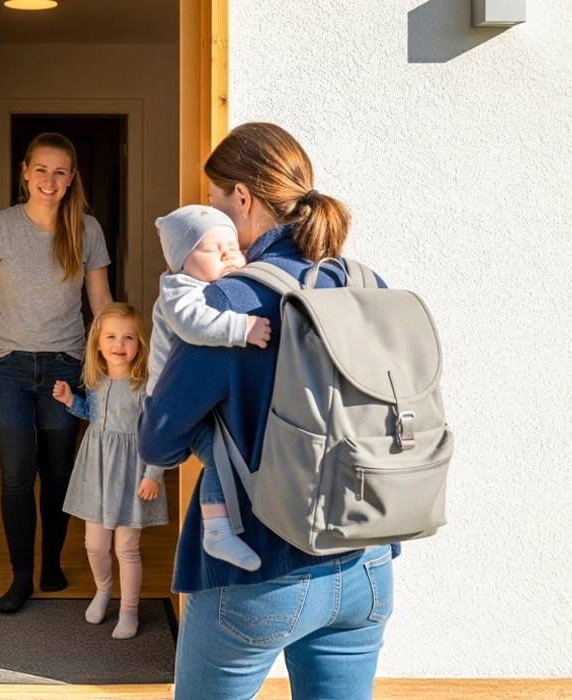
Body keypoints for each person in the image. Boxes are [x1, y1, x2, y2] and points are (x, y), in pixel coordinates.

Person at [141, 122, 395, 700]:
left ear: (243, 198)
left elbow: (159, 442)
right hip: (367, 561)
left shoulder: (230, 301)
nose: (214, 214)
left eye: (215, 201)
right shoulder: (365, 283)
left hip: (259, 569)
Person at [0, 132, 113, 614]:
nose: (49, 180)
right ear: (24, 172)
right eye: (40, 170)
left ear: (71, 178)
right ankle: (21, 575)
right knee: (17, 476)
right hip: (8, 368)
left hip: (66, 365)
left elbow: (101, 301)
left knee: (59, 474)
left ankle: (52, 563)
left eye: (60, 172)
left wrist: (113, 365)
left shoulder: (86, 230)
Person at [149, 205, 269, 572]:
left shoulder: (214, 282)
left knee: (225, 452)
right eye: (212, 250)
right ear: (181, 262)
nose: (228, 256)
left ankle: (222, 524)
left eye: (233, 247)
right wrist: (242, 329)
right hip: (168, 397)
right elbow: (193, 324)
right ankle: (216, 531)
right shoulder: (178, 288)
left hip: (198, 398)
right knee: (219, 455)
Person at [49, 304, 164, 640]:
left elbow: (158, 433)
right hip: (96, 472)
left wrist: (153, 474)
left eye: (128, 337)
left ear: (140, 344)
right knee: (94, 544)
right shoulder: (94, 380)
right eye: (111, 337)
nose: (119, 344)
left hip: (133, 472)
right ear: (98, 343)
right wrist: (71, 401)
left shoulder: (145, 386)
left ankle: (129, 610)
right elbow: (94, 415)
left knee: (126, 547)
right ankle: (103, 589)